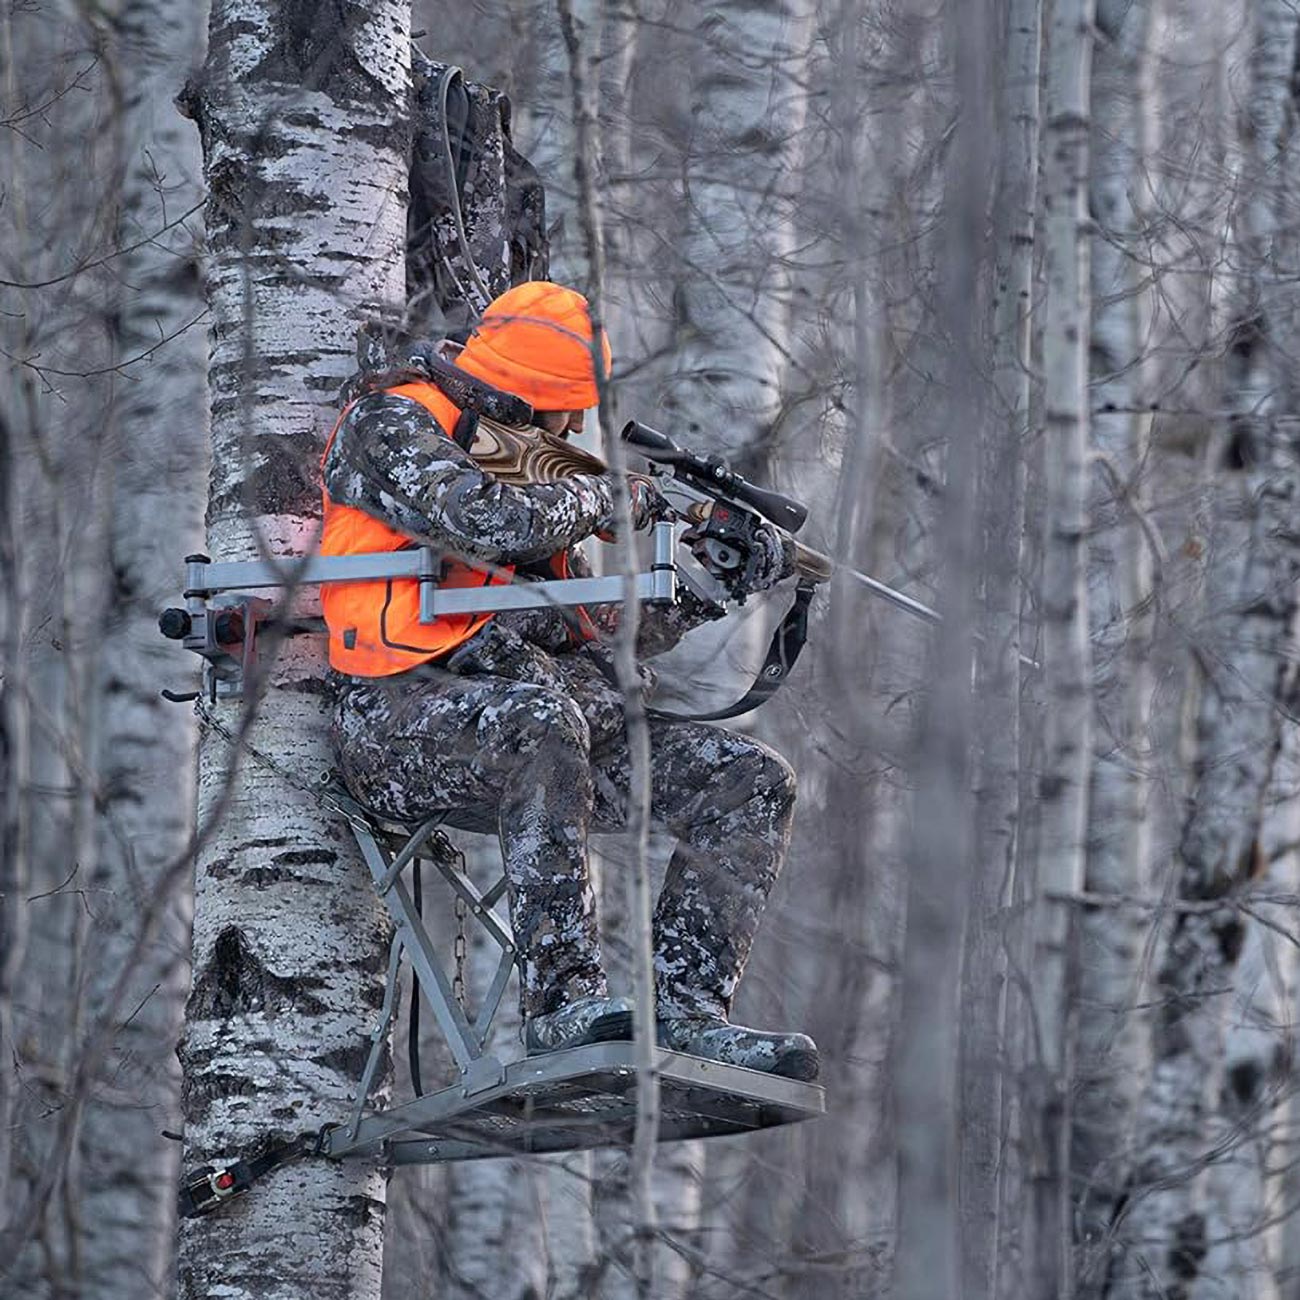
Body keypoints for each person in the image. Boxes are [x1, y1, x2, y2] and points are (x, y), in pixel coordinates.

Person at [319, 281, 818, 1080]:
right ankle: (563, 1006)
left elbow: (590, 636)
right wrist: (605, 495)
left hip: (542, 728)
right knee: (543, 722)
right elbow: (483, 522)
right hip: (395, 719)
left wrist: (704, 588)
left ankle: (686, 1016)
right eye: (570, 409)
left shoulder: (532, 478)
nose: (577, 429)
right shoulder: (392, 423)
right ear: (540, 398)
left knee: (749, 781)